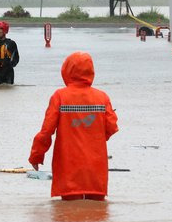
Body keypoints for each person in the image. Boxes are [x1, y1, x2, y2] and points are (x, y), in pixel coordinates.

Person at [28, 51, 118, 201]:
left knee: (69, 216)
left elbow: (46, 131)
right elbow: (111, 127)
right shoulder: (102, 97)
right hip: (96, 166)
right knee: (97, 216)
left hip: (68, 165)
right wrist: (93, 136)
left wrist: (36, 155)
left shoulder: (60, 96)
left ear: (67, 70)